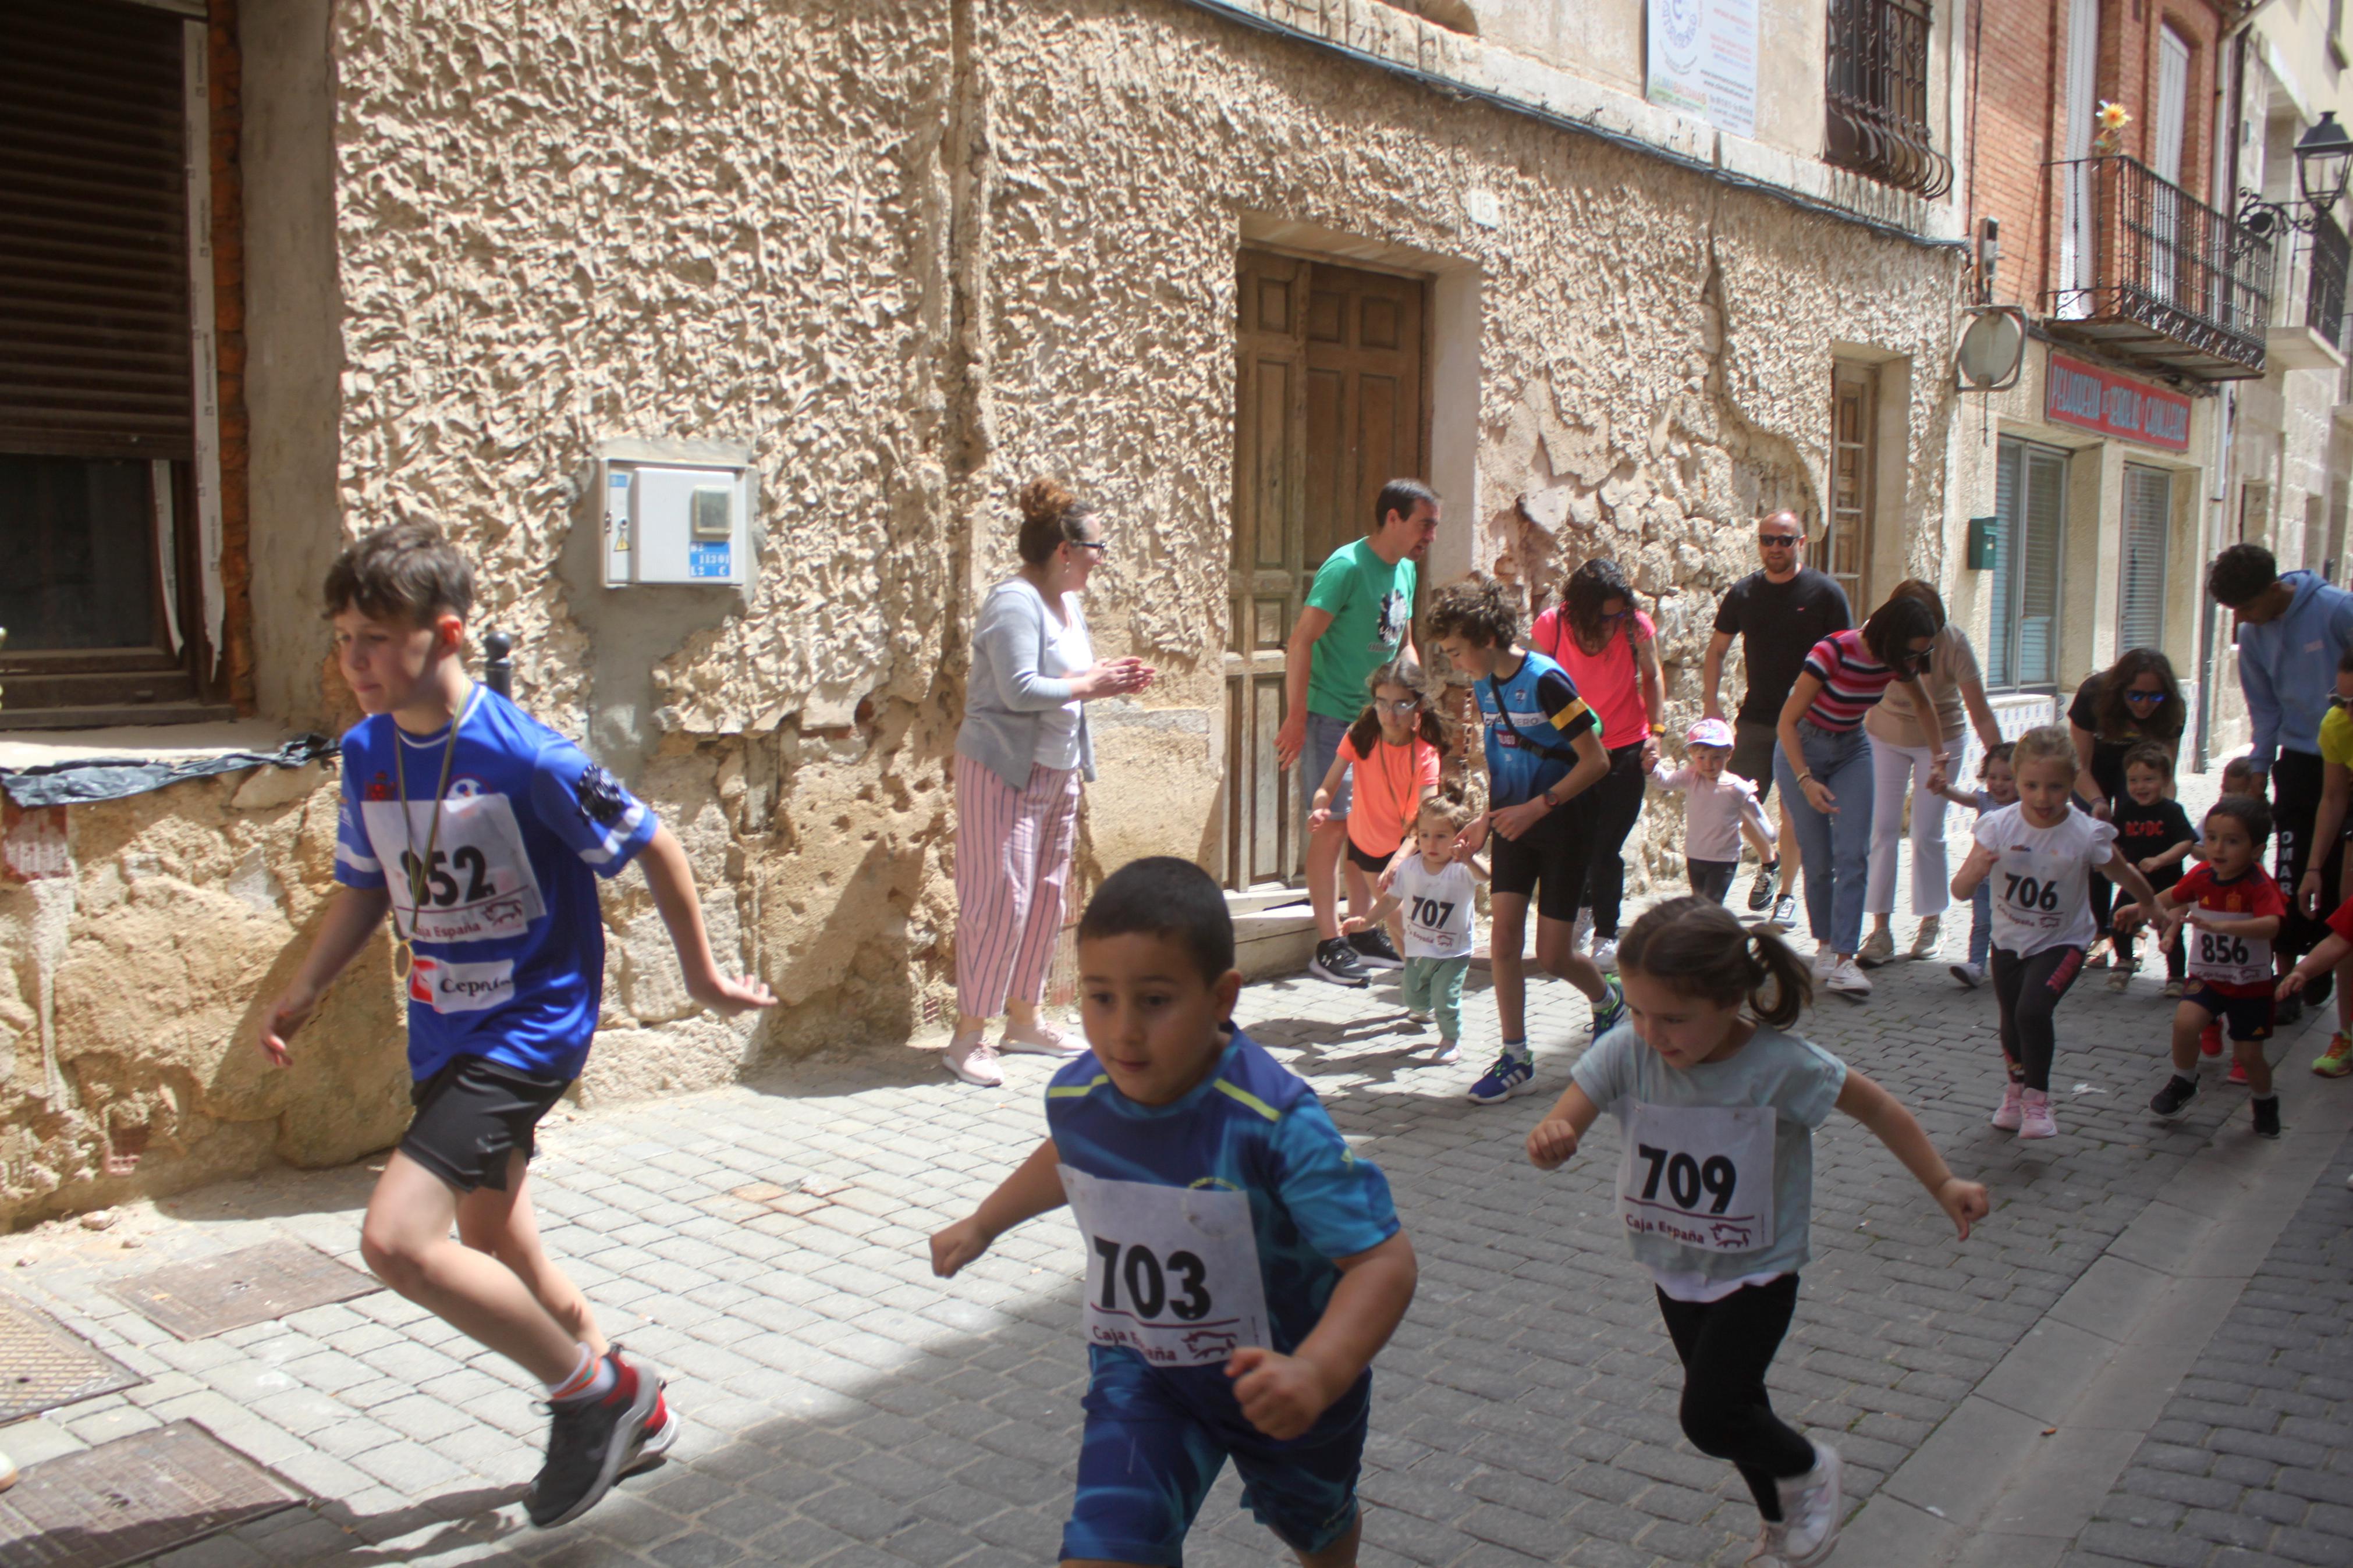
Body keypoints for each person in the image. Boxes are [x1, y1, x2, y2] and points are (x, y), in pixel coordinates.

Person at [255, 521, 776, 1528]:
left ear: (444, 634)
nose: (351, 660)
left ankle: (593, 1396)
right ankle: (641, 1400)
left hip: (528, 1029)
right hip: (443, 1035)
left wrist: (705, 977)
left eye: (373, 637)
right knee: (496, 1234)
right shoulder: (365, 754)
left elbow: (653, 843)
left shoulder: (528, 755)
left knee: (399, 1241)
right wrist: (309, 985)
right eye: (341, 636)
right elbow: (365, 886)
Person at [929, 857, 1418, 1568]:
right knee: (1107, 1550)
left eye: (1154, 1000)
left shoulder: (1274, 1121)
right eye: (1098, 998)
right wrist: (985, 1221)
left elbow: (1382, 1261)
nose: (1122, 1031)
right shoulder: (1079, 1094)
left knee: (1311, 1521)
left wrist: (1317, 1371)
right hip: (1145, 1371)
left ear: (1222, 997)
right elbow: (1071, 1153)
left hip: (1280, 1381)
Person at [1522, 897, 1989, 1568]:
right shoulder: (1630, 1049)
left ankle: (1809, 1465)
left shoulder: (1781, 1065)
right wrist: (1553, 1134)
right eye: (1640, 1011)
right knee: (1741, 1410)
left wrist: (1943, 1184)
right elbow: (1571, 1112)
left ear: (1730, 998)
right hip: (1674, 1268)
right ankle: (1779, 1523)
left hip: (1756, 1272)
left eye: (1674, 1018)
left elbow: (1877, 1107)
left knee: (1709, 1416)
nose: (1653, 1032)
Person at [949, 479, 1156, 1087]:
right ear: (1064, 550)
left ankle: (1024, 1020)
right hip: (1002, 769)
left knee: (1045, 897)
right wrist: (1090, 685)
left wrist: (1108, 676)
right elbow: (1017, 689)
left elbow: (1066, 676)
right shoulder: (1014, 602)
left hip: (1057, 769)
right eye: (1096, 545)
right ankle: (967, 1036)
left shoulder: (1067, 602)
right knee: (999, 901)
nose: (1101, 556)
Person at [1426, 576, 1622, 1105]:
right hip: (1514, 823)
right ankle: (1516, 1057)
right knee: (1504, 941)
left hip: (1563, 822)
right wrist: (1485, 819)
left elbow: (1596, 760)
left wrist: (1539, 807)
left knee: (1554, 956)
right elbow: (1504, 755)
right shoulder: (1484, 684)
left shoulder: (1546, 681)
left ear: (1484, 636)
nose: (1454, 664)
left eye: (1456, 651)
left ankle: (1608, 1001)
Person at [1950, 726, 2160, 1139]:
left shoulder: (2085, 833)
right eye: (2030, 785)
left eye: (2055, 787)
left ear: (2072, 781)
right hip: (2008, 940)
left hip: (2062, 941)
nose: (2042, 798)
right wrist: (1974, 872)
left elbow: (2122, 871)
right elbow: (1958, 891)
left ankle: (2037, 1101)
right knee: (2010, 1020)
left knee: (2032, 1010)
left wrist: (2151, 903)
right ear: (2015, 778)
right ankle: (2014, 1091)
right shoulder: (1996, 826)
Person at [1277, 480, 1442, 988]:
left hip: (1382, 719)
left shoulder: (1407, 570)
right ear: (1392, 518)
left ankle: (1361, 928)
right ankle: (1327, 945)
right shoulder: (1346, 567)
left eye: (1434, 526)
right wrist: (1296, 715)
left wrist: (1415, 702)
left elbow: (1404, 643)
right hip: (1332, 714)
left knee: (1368, 829)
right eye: (1423, 524)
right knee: (1332, 826)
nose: (1430, 536)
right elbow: (1300, 639)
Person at [1773, 592, 1946, 997]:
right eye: (1913, 651)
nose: (1915, 662)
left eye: (1924, 652)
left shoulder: (1898, 662)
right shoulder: (1832, 651)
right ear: (1891, 636)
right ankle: (1825, 944)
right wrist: (1805, 780)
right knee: (1818, 859)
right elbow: (1786, 721)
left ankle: (1844, 959)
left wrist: (1939, 758)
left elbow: (1923, 706)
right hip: (1802, 748)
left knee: (1853, 852)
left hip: (1852, 747)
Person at [2210, 543, 2353, 1020]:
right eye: (2235, 612)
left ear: (2274, 588)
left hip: (2345, 754)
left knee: (2335, 871)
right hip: (2297, 759)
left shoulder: (2335, 609)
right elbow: (2264, 708)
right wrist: (2258, 766)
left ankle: (2322, 967)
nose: (2243, 618)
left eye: (2248, 606)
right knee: (2290, 868)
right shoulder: (2252, 635)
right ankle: (2285, 975)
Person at [1703, 511, 1854, 932]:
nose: (1775, 547)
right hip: (1756, 717)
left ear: (1800, 542)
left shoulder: (1825, 593)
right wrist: (1710, 704)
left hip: (1807, 722)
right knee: (1732, 801)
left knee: (1792, 812)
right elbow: (1716, 649)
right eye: (1767, 539)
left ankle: (1786, 896)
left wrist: (1840, 713)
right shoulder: (1744, 593)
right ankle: (1768, 862)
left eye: (1784, 540)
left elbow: (1847, 654)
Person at [1859, 581, 2001, 968]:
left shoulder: (1953, 642)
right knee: (1883, 829)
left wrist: (2001, 760)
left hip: (1941, 739)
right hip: (1884, 734)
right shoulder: (1876, 634)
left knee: (1926, 832)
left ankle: (1931, 921)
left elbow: (1980, 710)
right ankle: (1880, 928)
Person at [1532, 557, 1665, 969]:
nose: (1613, 623)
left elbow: (1652, 674)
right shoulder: (1552, 625)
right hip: (1570, 749)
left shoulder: (1634, 625)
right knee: (1574, 843)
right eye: (1604, 615)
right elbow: (1536, 679)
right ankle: (1583, 910)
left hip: (1624, 747)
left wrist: (1656, 732)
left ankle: (1606, 932)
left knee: (1606, 847)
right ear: (1581, 610)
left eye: (1619, 613)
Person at [2145, 796, 2285, 1139]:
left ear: (2256, 850)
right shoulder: (2202, 874)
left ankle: (2265, 1101)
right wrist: (2139, 907)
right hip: (2207, 977)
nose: (2218, 848)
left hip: (2250, 985)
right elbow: (2174, 895)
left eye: (2232, 841)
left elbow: (2272, 925)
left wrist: (2227, 928)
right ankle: (2184, 1079)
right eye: (2211, 838)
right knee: (2184, 1023)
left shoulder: (2258, 884)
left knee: (2249, 1056)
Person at [1307, 656, 1450, 978]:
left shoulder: (1426, 754)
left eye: (1401, 704)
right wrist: (1320, 806)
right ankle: (1422, 987)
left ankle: (1419, 987)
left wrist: (1401, 857)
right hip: (1369, 843)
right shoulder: (1361, 736)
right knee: (1400, 921)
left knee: (1406, 924)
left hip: (1407, 847)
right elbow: (1326, 787)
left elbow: (1425, 815)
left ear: (1419, 707)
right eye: (1382, 703)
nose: (1390, 714)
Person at [2067, 648, 2188, 961]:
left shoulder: (2174, 709)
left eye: (2154, 697)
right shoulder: (2094, 695)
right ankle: (2099, 931)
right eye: (2135, 696)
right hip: (2096, 769)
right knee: (2099, 842)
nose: (2145, 704)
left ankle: (2132, 922)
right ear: (2120, 690)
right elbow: (2078, 765)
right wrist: (2096, 803)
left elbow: (2165, 772)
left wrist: (2163, 815)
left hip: (2141, 769)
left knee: (2140, 839)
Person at [1344, 795, 1485, 1063]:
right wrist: (1366, 921)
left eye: (1442, 836)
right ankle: (1426, 1008)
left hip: (1453, 952)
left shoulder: (1461, 869)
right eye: (1424, 835)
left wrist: (1471, 860)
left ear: (1459, 837)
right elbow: (1390, 900)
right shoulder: (1409, 868)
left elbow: (1488, 876)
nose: (1431, 843)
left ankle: (1450, 1041)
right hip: (1418, 949)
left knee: (1446, 998)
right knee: (1414, 1000)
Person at [2296, 648, 2353, 1076]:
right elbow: (2333, 797)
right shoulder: (2337, 725)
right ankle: (2346, 1035)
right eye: (2340, 700)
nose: (2346, 712)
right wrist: (2314, 867)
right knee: (2347, 927)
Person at [1649, 717, 1776, 905]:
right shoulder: (1692, 777)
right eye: (1701, 758)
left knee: (1711, 904)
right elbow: (1666, 781)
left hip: (1724, 859)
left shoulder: (1738, 788)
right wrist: (1652, 768)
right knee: (1700, 903)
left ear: (1728, 755)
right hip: (1695, 856)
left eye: (1716, 757)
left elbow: (1757, 815)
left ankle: (1712, 932)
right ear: (1692, 754)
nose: (1708, 764)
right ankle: (1710, 932)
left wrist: (1770, 835)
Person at [2104, 743, 2196, 993]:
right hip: (2136, 883)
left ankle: (2176, 976)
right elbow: (2116, 841)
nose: (2140, 786)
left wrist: (2162, 859)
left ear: (2165, 780)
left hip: (2169, 884)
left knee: (2170, 927)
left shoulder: (2172, 811)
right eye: (2133, 780)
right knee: (2120, 918)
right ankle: (2124, 961)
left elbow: (2187, 842)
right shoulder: (2125, 811)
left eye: (2148, 779)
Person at [1929, 742, 2017, 990]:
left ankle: (2014, 968)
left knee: (2010, 927)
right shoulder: (1985, 800)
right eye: (1993, 777)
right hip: (1982, 879)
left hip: (2013, 884)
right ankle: (1975, 966)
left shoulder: (2025, 807)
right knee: (1982, 924)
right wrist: (1944, 788)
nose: (1998, 784)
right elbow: (1963, 797)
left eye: (2007, 778)